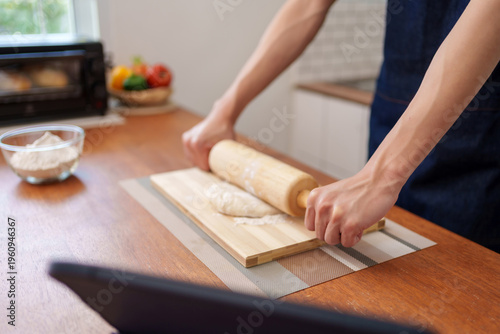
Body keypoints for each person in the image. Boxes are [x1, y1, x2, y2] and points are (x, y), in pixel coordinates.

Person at [182, 0, 500, 252]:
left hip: (481, 142)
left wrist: (384, 175)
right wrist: (224, 111)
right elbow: (309, 4)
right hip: (392, 115)